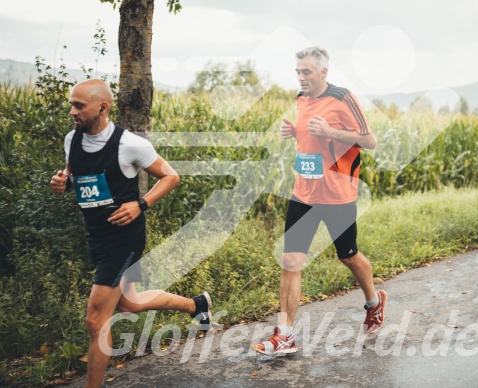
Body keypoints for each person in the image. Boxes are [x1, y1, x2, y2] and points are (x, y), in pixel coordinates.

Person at [50, 79, 211, 387]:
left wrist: (141, 204)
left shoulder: (129, 144)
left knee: (96, 319)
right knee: (130, 304)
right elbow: (74, 175)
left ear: (102, 107)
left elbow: (170, 176)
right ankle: (196, 305)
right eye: (71, 104)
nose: (72, 111)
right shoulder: (73, 139)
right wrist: (64, 183)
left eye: (78, 106)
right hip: (96, 235)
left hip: (123, 240)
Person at [251, 47, 387, 355]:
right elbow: (310, 140)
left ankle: (374, 302)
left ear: (323, 73)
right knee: (290, 261)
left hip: (338, 196)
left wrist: (330, 131)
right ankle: (285, 336)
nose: (300, 77)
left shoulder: (343, 98)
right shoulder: (301, 99)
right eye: (298, 72)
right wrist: (294, 131)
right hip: (304, 194)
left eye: (306, 72)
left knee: (348, 255)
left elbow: (370, 141)